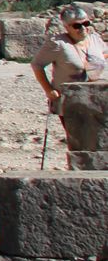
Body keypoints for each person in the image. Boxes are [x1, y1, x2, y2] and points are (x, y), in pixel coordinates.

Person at [31, 8, 108, 164]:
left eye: (86, 24)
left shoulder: (94, 39)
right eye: (77, 26)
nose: (83, 28)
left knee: (102, 138)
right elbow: (37, 65)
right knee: (81, 140)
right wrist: (48, 90)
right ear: (66, 27)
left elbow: (104, 53)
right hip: (71, 101)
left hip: (97, 97)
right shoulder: (58, 43)